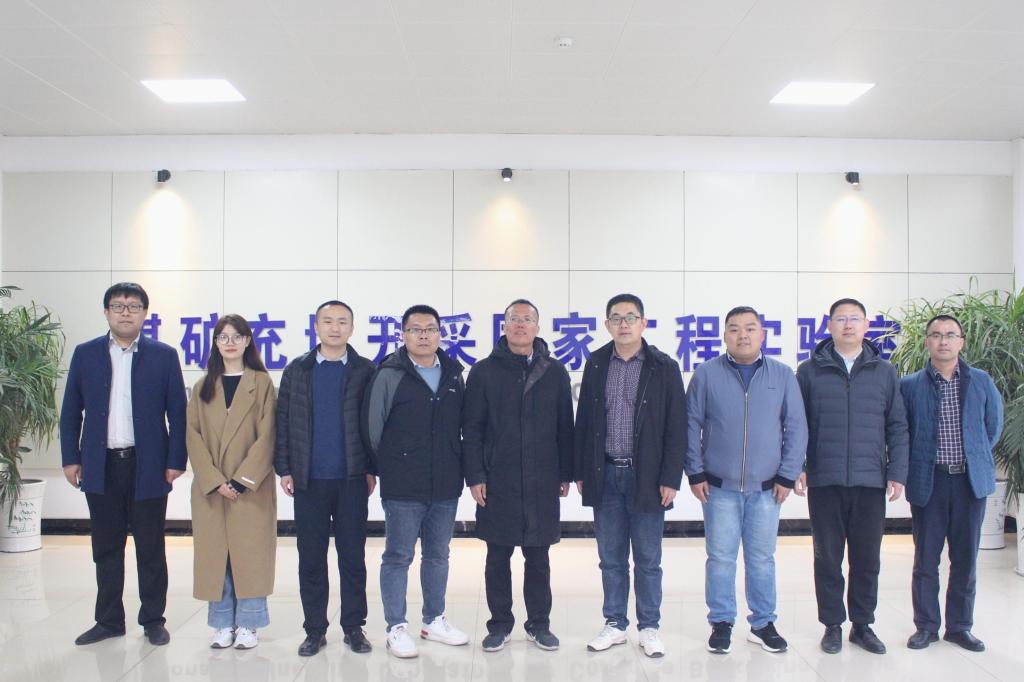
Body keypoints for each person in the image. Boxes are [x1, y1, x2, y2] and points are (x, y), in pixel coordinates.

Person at [60, 282, 187, 646]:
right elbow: (71, 412)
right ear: (106, 312)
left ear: (145, 313)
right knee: (106, 547)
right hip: (100, 464)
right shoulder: (86, 354)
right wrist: (71, 458)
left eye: (133, 306)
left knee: (150, 547)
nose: (125, 312)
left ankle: (153, 620)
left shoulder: (163, 356)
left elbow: (178, 414)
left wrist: (175, 460)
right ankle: (109, 620)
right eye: (118, 306)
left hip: (149, 465)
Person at [685, 306, 807, 655]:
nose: (743, 335)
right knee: (720, 558)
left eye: (750, 328)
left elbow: (796, 427)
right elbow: (690, 424)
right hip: (718, 487)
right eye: (735, 328)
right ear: (724, 335)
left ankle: (763, 623)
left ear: (762, 334)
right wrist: (695, 471)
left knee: (762, 559)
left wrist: (787, 474)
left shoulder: (782, 375)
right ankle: (721, 622)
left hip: (767, 488)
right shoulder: (707, 374)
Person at [574, 293, 687, 658]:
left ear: (644, 323)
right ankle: (615, 624)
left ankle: (649, 627)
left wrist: (670, 477)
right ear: (607, 324)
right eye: (616, 318)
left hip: (648, 478)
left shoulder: (663, 367)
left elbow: (677, 427)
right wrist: (581, 470)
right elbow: (584, 421)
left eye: (631, 317)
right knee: (611, 558)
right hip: (605, 473)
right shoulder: (596, 363)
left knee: (648, 560)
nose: (623, 324)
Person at [795, 297, 909, 655]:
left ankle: (862, 625)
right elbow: (797, 425)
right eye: (840, 319)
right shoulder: (809, 371)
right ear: (829, 325)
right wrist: (798, 466)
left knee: (867, 559)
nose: (847, 325)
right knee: (827, 558)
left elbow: (897, 425)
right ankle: (832, 625)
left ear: (866, 325)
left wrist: (897, 472)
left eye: (854, 319)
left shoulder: (884, 371)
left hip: (870, 480)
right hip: (825, 480)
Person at [463, 299, 574, 653]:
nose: (521, 325)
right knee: (497, 557)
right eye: (514, 319)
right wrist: (475, 475)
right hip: (499, 479)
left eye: (528, 319)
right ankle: (499, 624)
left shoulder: (554, 372)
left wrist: (565, 472)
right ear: (505, 326)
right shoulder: (483, 372)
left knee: (538, 558)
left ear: (537, 327)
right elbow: (472, 429)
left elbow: (565, 427)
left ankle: (539, 624)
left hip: (542, 478)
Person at [363, 304, 469, 659]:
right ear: (403, 335)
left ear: (440, 334)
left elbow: (463, 425)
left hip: (446, 482)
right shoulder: (389, 374)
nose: (423, 335)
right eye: (415, 329)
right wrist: (395, 464)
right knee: (398, 556)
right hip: (403, 484)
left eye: (430, 329)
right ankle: (396, 626)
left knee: (438, 555)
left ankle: (433, 620)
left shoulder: (454, 373)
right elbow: (373, 430)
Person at [273, 300, 378, 657]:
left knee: (353, 557)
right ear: (316, 327)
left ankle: (354, 627)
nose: (335, 328)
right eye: (328, 321)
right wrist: (285, 468)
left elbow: (373, 424)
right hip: (309, 480)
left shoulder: (365, 370)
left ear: (352, 328)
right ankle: (315, 629)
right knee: (311, 558)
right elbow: (283, 421)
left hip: (352, 479)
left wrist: (371, 468)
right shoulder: (297, 370)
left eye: (342, 321)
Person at [901, 314, 1003, 652]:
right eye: (936, 335)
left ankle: (959, 627)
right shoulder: (910, 385)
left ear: (961, 342)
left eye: (950, 335)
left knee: (965, 559)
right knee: (925, 560)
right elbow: (903, 432)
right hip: (928, 481)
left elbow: (992, 427)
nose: (943, 341)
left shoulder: (981, 381)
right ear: (927, 342)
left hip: (969, 483)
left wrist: (974, 454)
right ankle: (926, 626)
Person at [187, 314, 277, 650]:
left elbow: (268, 436)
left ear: (247, 341)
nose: (230, 343)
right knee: (216, 556)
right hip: (212, 490)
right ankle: (223, 622)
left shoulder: (261, 383)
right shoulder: (203, 386)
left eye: (236, 336)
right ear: (215, 343)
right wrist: (214, 480)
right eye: (223, 337)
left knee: (249, 555)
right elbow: (192, 436)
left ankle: (250, 623)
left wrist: (241, 480)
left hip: (250, 488)